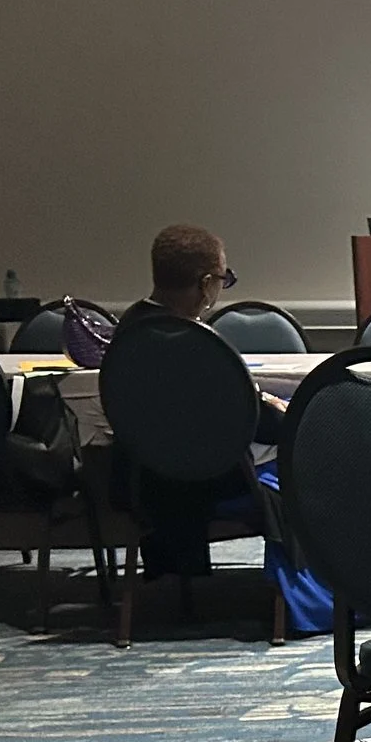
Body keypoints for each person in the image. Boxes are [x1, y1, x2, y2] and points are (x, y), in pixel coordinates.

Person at [115, 224, 283, 578]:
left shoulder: (130, 329)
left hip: (142, 479)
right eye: (225, 278)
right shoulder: (196, 343)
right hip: (207, 478)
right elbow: (248, 423)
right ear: (206, 284)